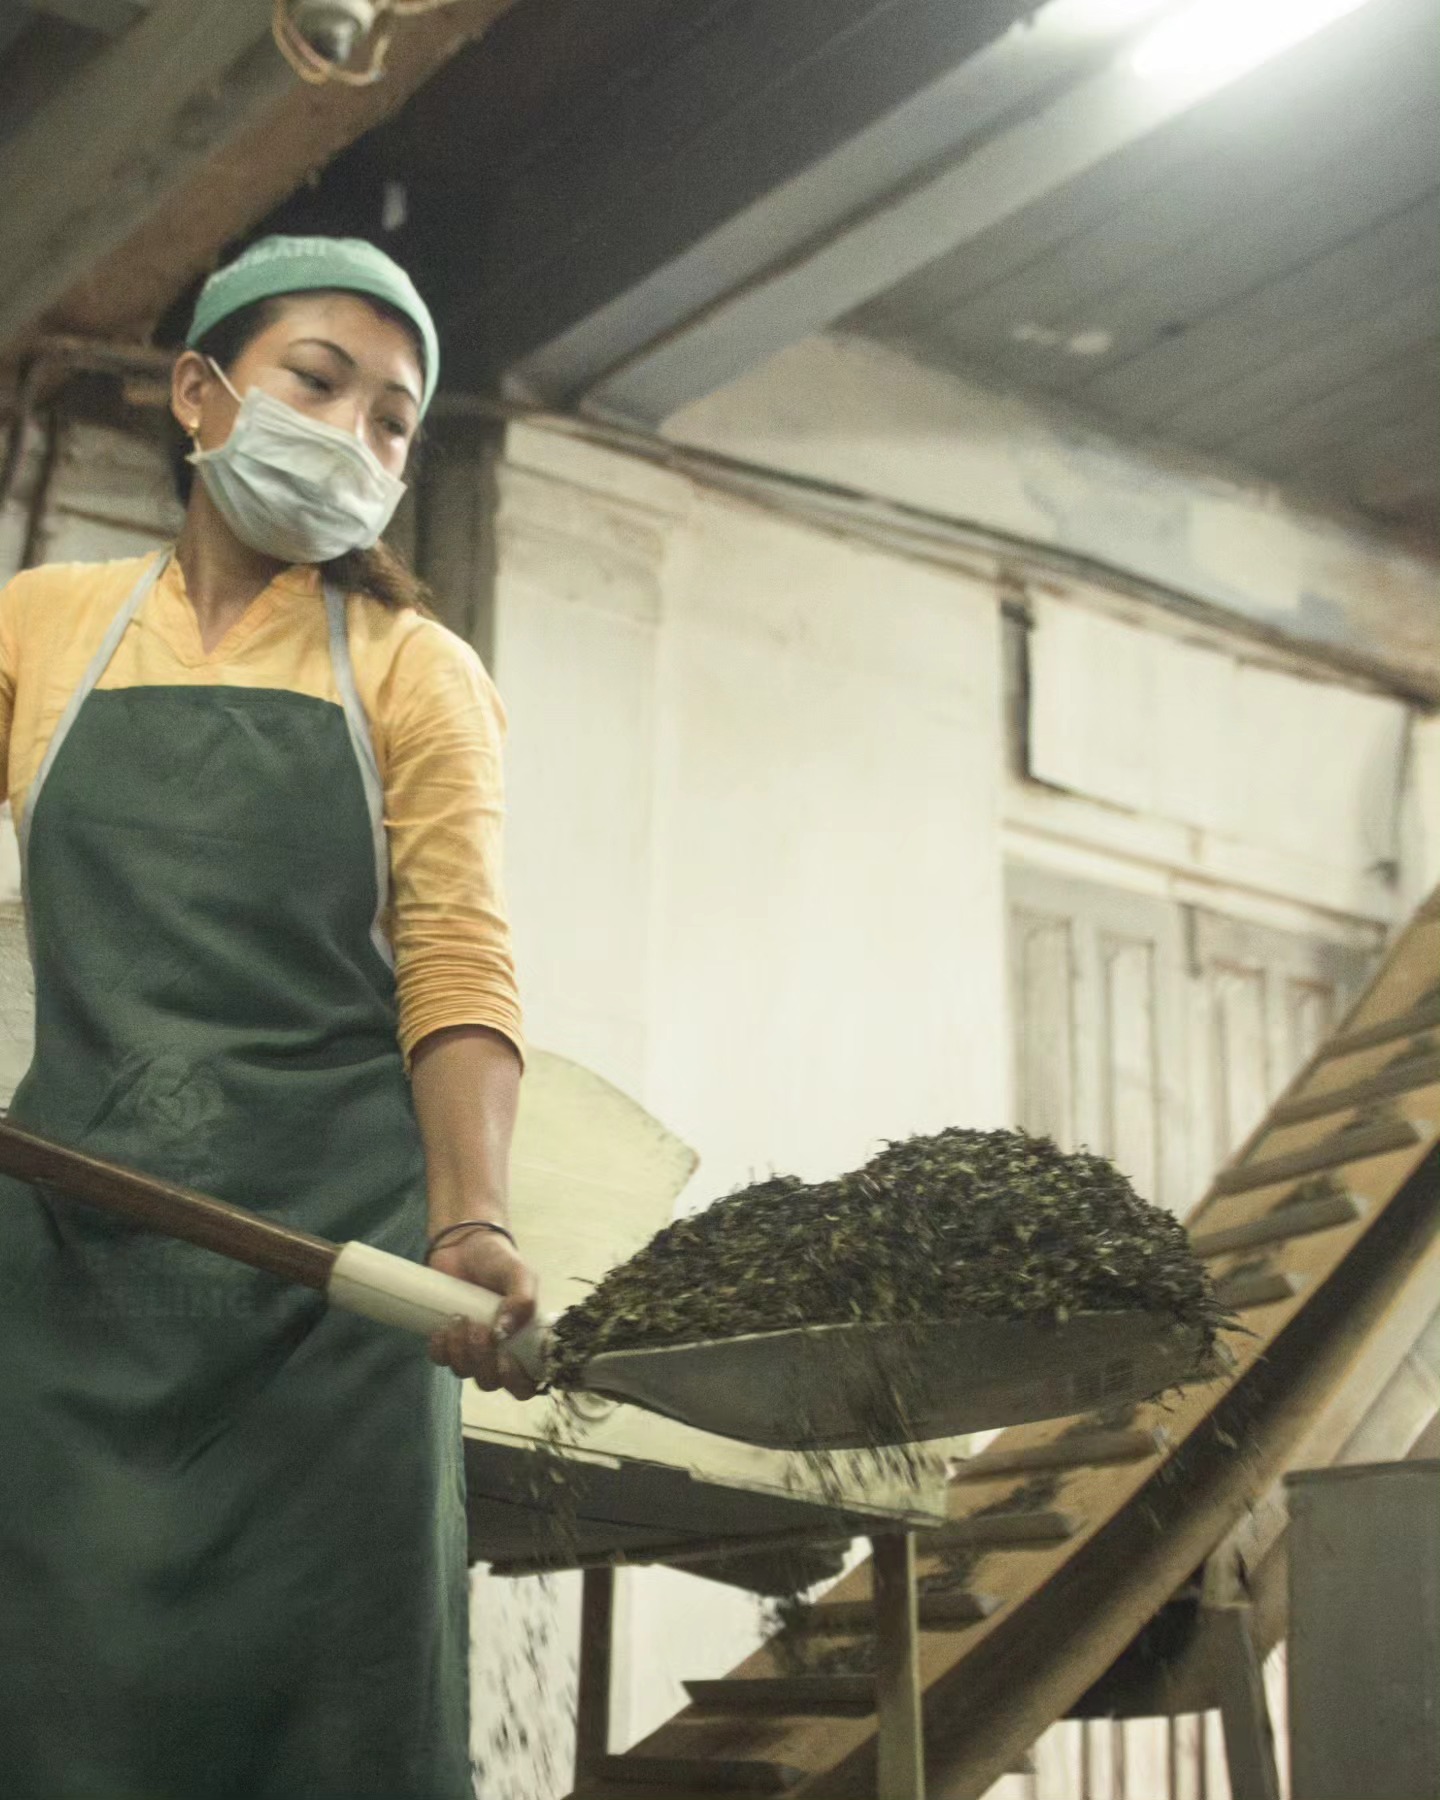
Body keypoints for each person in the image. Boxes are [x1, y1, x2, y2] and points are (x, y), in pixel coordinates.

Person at [0, 234, 536, 1799]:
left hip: (334, 1294)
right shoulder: (43, 627)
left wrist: (470, 1226)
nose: (356, 435)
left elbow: (456, 959)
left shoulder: (414, 673)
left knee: (330, 1733)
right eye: (320, 381)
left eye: (392, 419)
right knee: (61, 1716)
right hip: (74, 1267)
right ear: (199, 390)